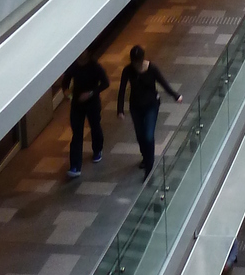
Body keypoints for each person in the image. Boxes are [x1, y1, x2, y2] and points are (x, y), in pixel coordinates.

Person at [117, 45, 181, 178]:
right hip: (135, 106)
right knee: (140, 135)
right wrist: (120, 109)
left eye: (137, 62)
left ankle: (149, 165)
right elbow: (122, 89)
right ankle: (145, 157)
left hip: (151, 105)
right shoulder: (128, 70)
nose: (136, 65)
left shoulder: (152, 68)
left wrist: (175, 95)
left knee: (148, 135)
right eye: (134, 62)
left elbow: (163, 83)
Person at [62, 46, 110, 177]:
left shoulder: (95, 67)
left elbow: (105, 83)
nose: (80, 54)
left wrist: (91, 93)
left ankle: (97, 150)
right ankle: (75, 166)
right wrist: (66, 91)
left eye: (83, 51)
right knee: (77, 134)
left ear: (88, 52)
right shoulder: (73, 66)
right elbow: (65, 81)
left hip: (92, 103)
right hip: (77, 104)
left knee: (95, 126)